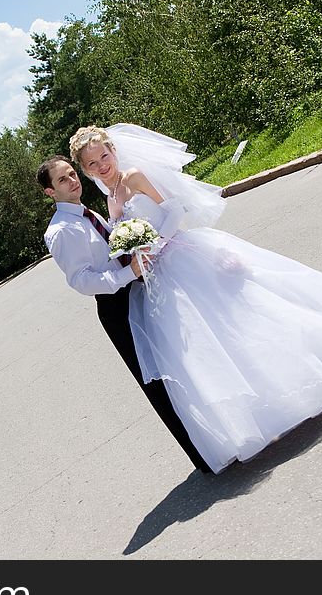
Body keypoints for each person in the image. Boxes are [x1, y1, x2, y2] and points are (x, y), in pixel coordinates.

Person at [68, 124, 322, 474]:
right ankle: (262, 409)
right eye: (92, 163)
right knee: (208, 346)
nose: (101, 165)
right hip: (159, 278)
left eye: (104, 156)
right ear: (85, 170)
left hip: (182, 257)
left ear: (113, 150)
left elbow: (173, 211)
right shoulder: (109, 198)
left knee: (243, 316)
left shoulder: (135, 176)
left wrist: (154, 244)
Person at [38, 155, 214, 473]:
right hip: (116, 307)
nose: (72, 181)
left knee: (175, 362)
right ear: (50, 192)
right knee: (156, 381)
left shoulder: (86, 213)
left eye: (72, 174)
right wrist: (127, 273)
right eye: (62, 180)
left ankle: (213, 434)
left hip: (138, 292)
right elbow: (81, 280)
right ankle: (202, 455)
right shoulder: (62, 231)